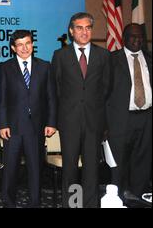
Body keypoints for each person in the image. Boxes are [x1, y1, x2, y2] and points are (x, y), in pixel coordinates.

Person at [52, 12, 110, 208]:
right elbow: (56, 90)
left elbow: (106, 89)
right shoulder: (60, 55)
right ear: (71, 30)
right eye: (79, 27)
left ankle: (90, 205)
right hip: (70, 122)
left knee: (92, 170)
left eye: (88, 27)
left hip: (95, 123)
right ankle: (73, 205)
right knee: (70, 169)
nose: (84, 32)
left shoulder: (103, 55)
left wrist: (105, 123)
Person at [0, 30, 57, 207]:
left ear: (32, 45)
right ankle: (9, 203)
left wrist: (51, 122)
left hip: (36, 127)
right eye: (20, 45)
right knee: (10, 169)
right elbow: (2, 99)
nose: (25, 48)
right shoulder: (5, 67)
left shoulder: (45, 66)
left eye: (28, 43)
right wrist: (2, 124)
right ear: (13, 48)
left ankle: (35, 203)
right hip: (13, 128)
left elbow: (51, 97)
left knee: (35, 169)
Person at [107, 23, 152, 202]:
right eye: (133, 36)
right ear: (123, 39)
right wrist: (104, 123)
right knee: (118, 160)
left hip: (146, 117)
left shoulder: (149, 58)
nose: (137, 40)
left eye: (140, 36)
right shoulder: (111, 60)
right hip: (120, 118)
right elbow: (103, 93)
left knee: (143, 157)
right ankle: (116, 197)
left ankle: (138, 194)